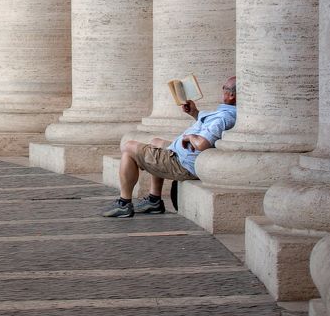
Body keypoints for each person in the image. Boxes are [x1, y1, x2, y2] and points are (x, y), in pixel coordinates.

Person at [101, 75, 237, 218]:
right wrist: (194, 113)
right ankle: (154, 201)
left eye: (224, 88)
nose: (222, 90)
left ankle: (124, 203)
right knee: (155, 142)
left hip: (181, 163)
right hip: (182, 156)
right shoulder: (227, 114)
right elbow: (208, 129)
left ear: (232, 95)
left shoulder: (223, 117)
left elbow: (202, 144)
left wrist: (189, 137)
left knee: (129, 147)